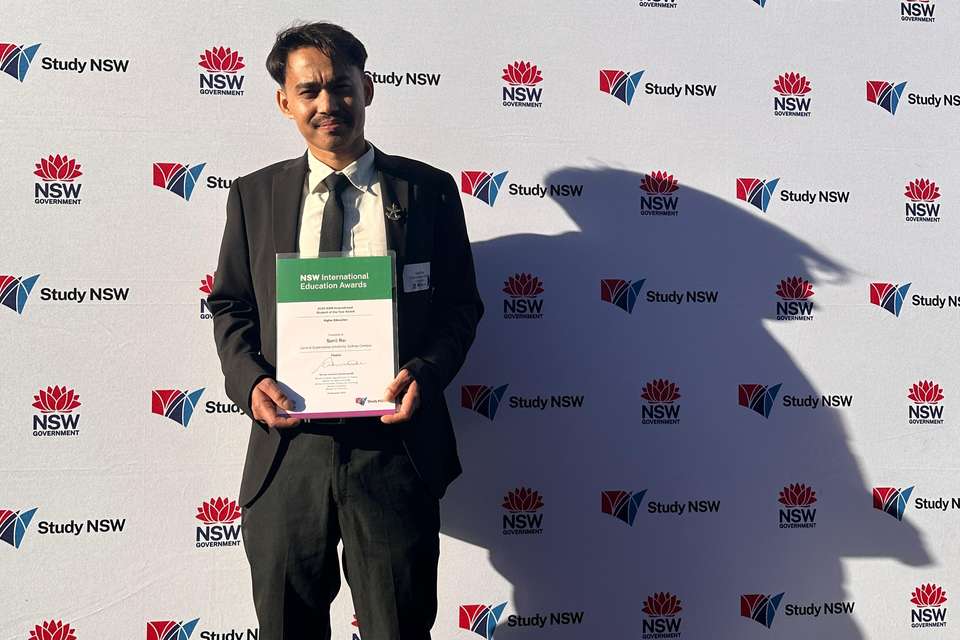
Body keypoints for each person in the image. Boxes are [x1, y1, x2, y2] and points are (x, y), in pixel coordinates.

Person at [207, 21, 483, 640]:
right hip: (288, 454)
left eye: (341, 86)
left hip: (393, 451)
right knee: (286, 627)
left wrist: (428, 372)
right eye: (309, 92)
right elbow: (230, 306)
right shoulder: (253, 196)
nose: (327, 104)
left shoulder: (429, 191)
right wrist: (250, 382)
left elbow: (461, 307)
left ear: (368, 88)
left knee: (397, 628)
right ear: (285, 102)